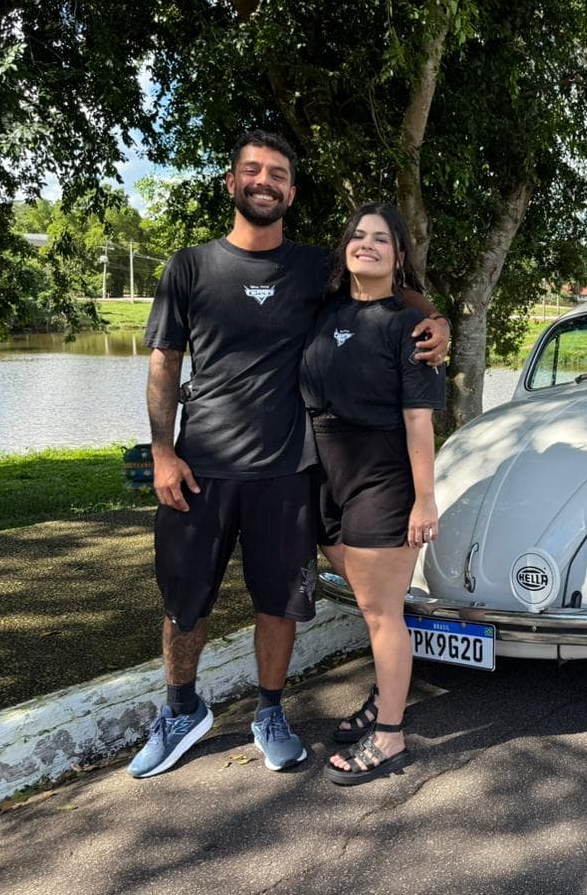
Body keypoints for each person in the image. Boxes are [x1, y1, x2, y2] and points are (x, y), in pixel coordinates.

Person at [128, 133, 449, 779]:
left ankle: (270, 711)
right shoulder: (189, 267)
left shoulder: (311, 270)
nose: (265, 181)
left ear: (291, 193)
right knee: (184, 604)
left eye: (277, 174)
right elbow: (164, 363)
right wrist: (163, 453)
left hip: (285, 473)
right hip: (201, 469)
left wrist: (435, 320)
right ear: (231, 182)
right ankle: (182, 710)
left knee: (278, 604)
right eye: (252, 170)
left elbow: (384, 291)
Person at [300, 202, 444, 786]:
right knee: (371, 607)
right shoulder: (323, 310)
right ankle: (387, 696)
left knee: (383, 612)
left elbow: (418, 424)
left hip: (381, 479)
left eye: (381, 239)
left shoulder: (410, 329)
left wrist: (424, 499)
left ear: (398, 256)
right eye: (357, 235)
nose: (367, 244)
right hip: (324, 475)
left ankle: (389, 737)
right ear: (345, 249)